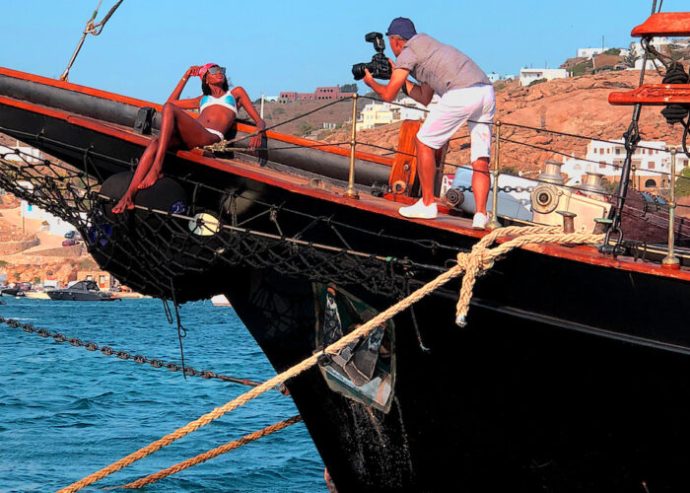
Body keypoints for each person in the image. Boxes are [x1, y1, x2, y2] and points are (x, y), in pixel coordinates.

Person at [362, 18, 496, 228]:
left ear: (396, 41)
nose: (394, 50)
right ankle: (480, 215)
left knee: (423, 141)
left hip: (462, 92)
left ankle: (427, 203)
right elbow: (424, 96)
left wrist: (372, 83)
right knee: (480, 158)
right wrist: (398, 74)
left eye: (391, 44)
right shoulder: (430, 47)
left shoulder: (408, 51)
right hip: (486, 92)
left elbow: (388, 95)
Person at [112, 63, 266, 213]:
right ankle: (128, 195)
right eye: (214, 70)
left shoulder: (235, 93)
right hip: (193, 136)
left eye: (221, 70)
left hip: (210, 137)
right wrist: (185, 77)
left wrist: (259, 130)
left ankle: (157, 167)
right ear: (206, 78)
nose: (219, 72)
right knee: (155, 143)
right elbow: (170, 102)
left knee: (169, 111)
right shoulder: (202, 99)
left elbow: (259, 120)